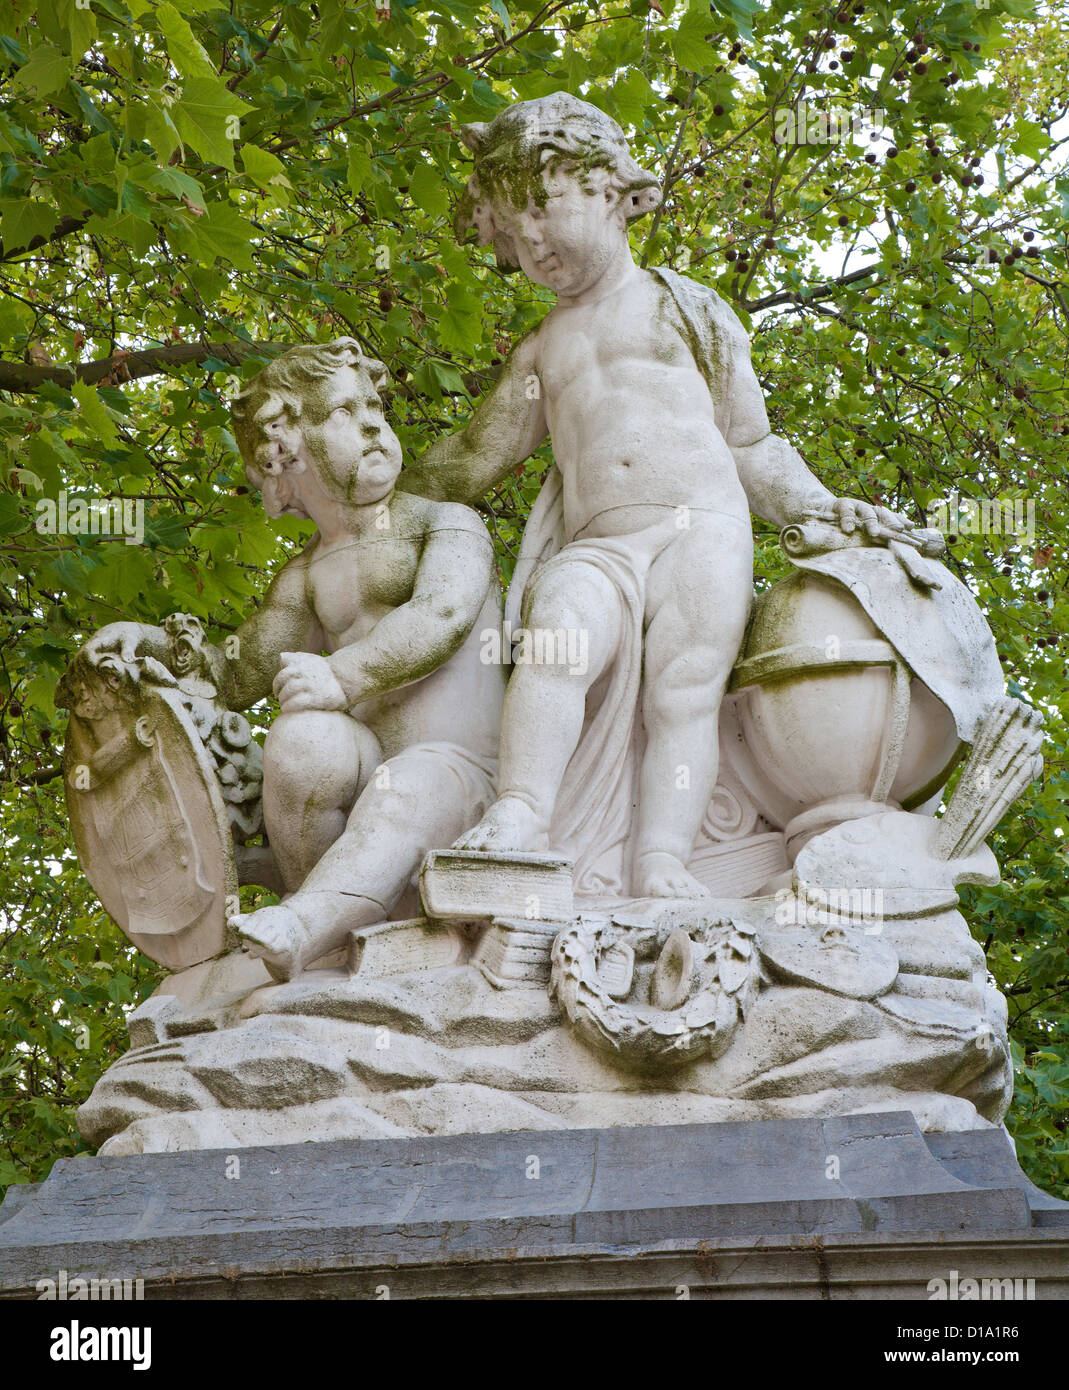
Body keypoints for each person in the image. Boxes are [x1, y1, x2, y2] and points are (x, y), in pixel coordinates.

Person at [400, 93, 910, 899]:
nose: (532, 239)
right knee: (554, 639)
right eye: (511, 225)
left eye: (544, 206)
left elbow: (750, 444)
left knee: (685, 692)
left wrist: (818, 508)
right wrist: (383, 501)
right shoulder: (541, 351)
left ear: (610, 188)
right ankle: (521, 816)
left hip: (702, 530)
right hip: (597, 541)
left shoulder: (690, 308)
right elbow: (473, 457)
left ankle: (662, 861)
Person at [84, 339, 503, 978]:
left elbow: (442, 616)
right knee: (303, 740)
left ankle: (306, 924)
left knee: (402, 789)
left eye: (375, 407)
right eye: (343, 411)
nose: (372, 422)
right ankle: (328, 944)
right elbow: (237, 670)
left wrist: (341, 673)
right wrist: (151, 643)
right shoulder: (304, 576)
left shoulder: (443, 523)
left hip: (461, 776)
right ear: (285, 450)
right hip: (371, 771)